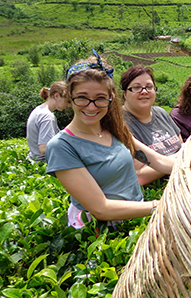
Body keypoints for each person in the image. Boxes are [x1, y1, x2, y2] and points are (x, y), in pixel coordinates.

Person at [46, 50, 176, 229]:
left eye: (100, 98)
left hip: (138, 215)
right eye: (82, 98)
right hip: (100, 232)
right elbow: (101, 208)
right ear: (70, 97)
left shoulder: (114, 129)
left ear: (110, 98)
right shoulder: (62, 147)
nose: (91, 107)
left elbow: (157, 161)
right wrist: (162, 206)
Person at [120, 65, 182, 157]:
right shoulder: (120, 123)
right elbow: (137, 169)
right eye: (136, 87)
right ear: (125, 94)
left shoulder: (161, 113)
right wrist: (180, 159)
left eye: (149, 87)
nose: (144, 91)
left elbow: (181, 143)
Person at [26, 81, 68, 162]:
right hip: (43, 164)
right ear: (56, 96)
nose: (68, 105)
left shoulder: (38, 109)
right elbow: (44, 148)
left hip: (33, 161)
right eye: (67, 101)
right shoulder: (47, 116)